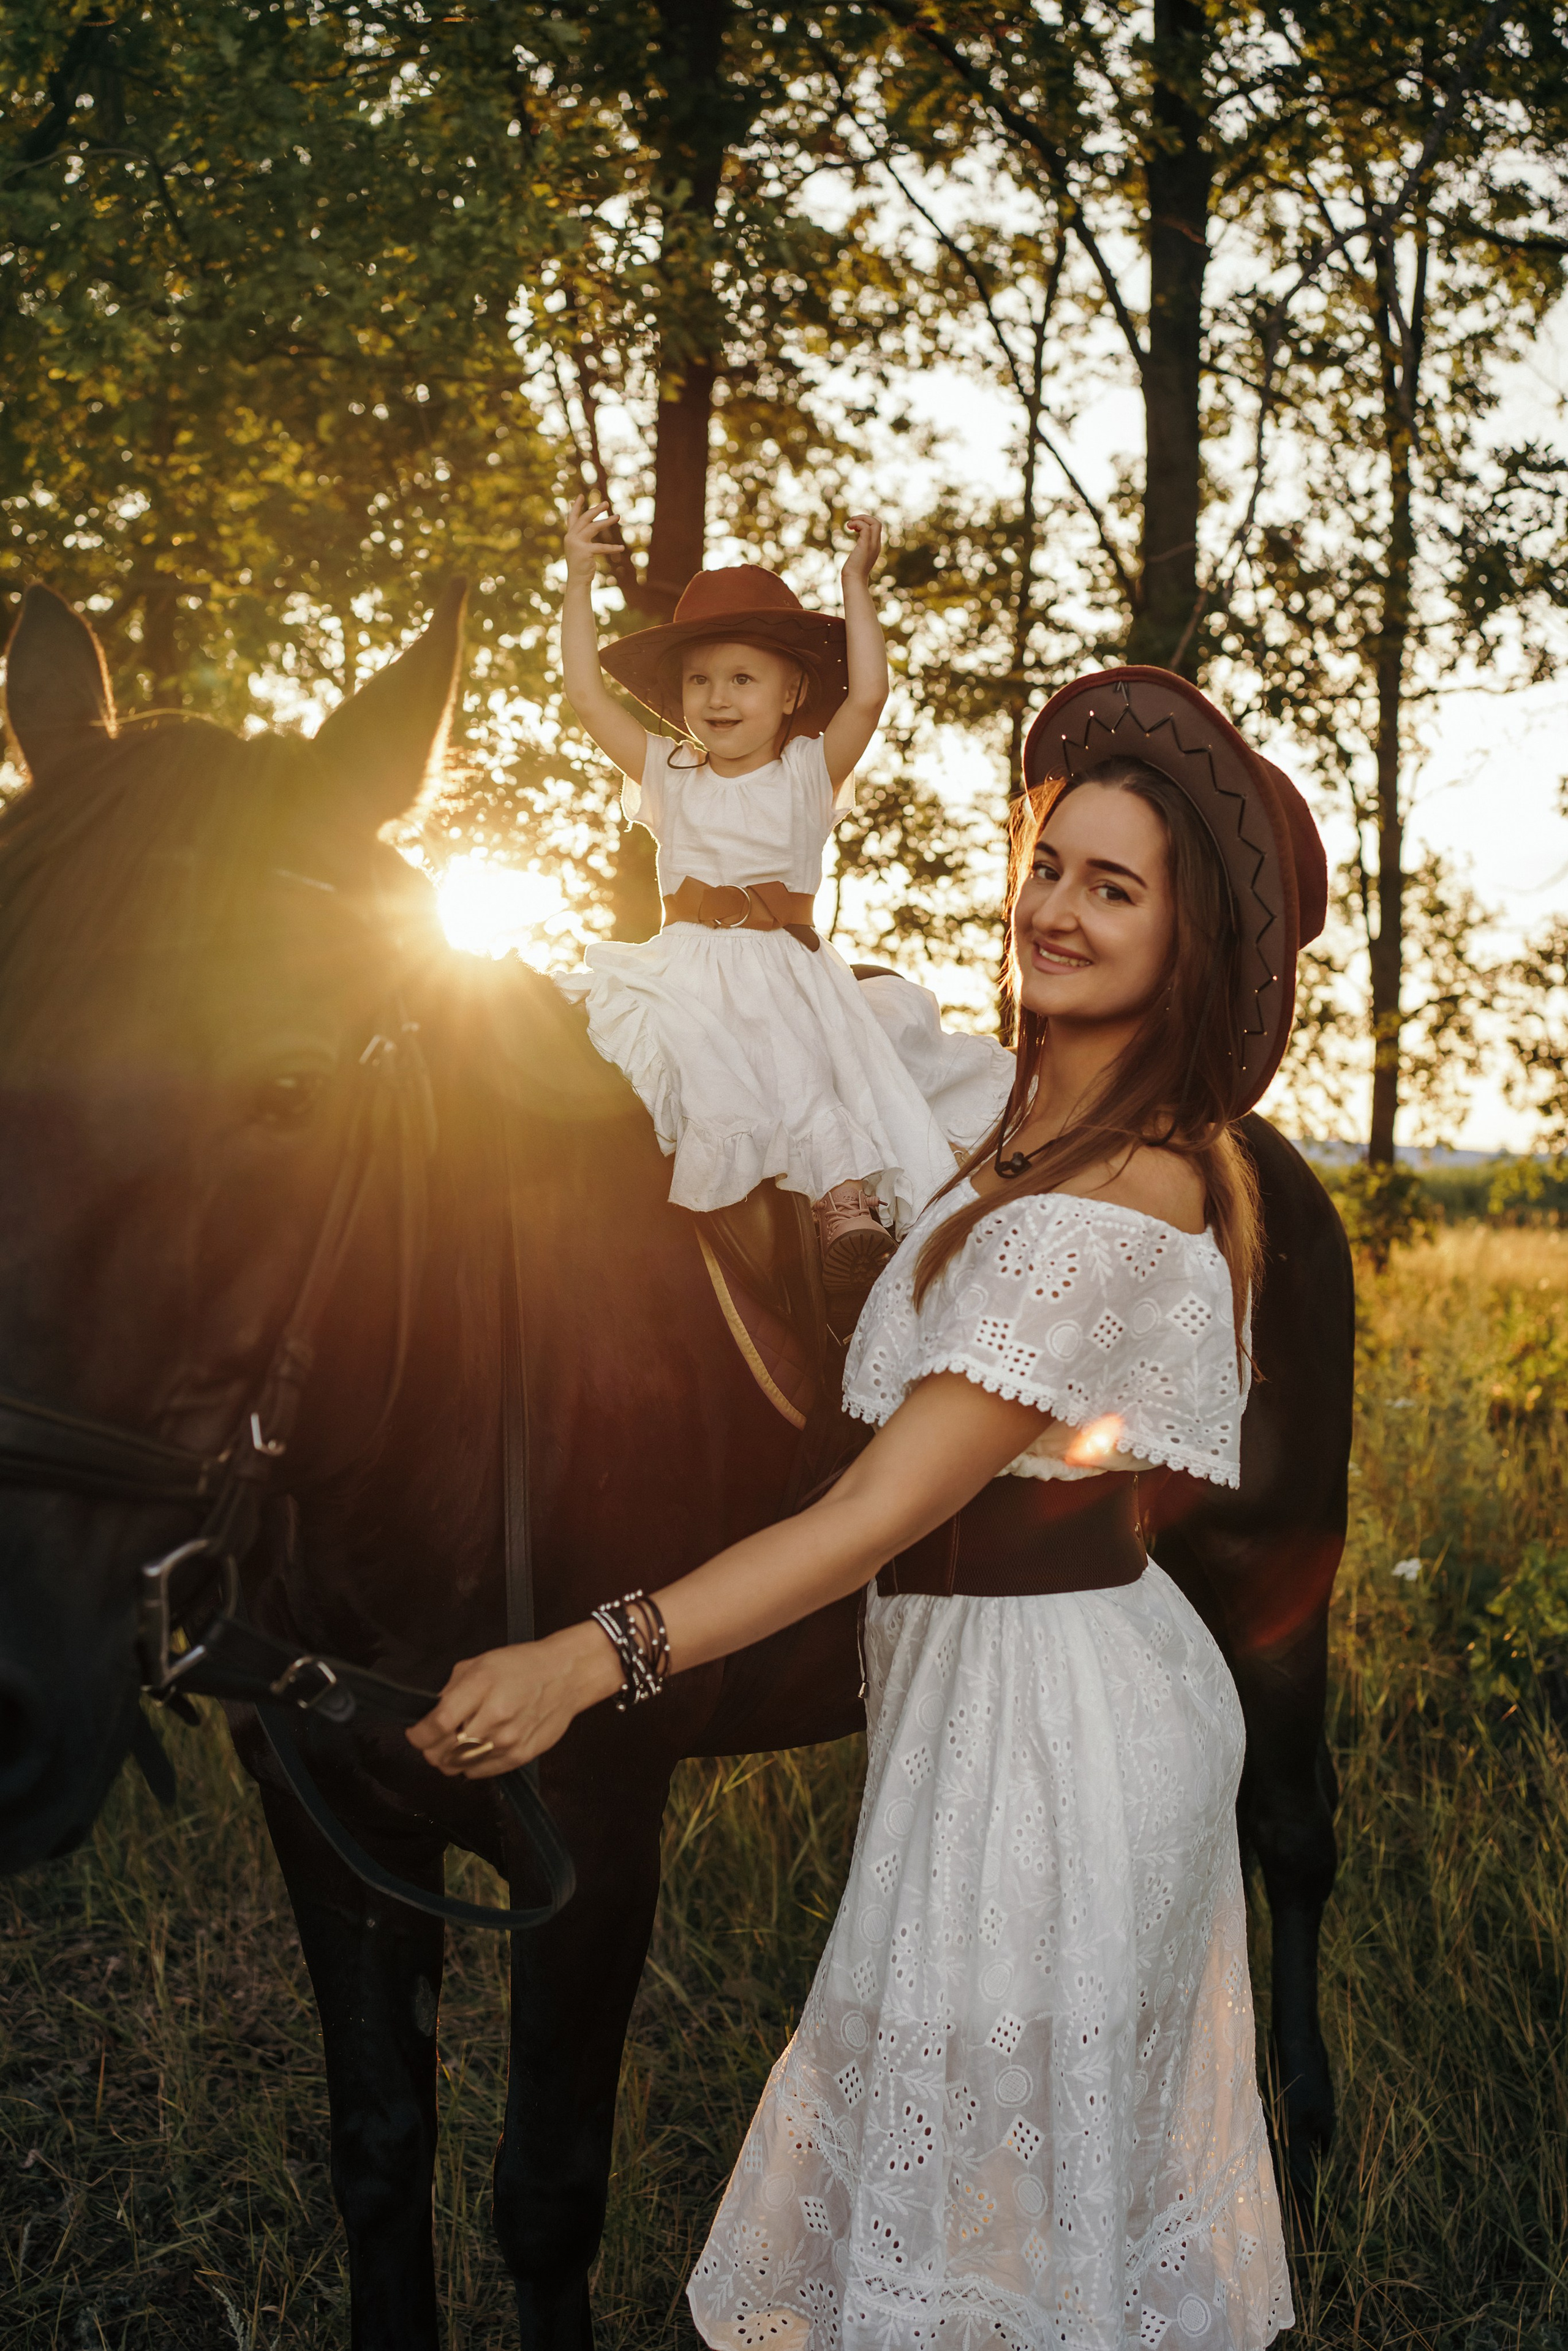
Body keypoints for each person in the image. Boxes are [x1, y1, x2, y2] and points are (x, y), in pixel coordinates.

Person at [410, 668, 1323, 2349]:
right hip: (980, 1704)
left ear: (1186, 944)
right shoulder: (1022, 1119)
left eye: (1114, 888)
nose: (1056, 907)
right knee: (972, 2182)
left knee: (988, 2204)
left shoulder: (1120, 1190)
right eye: (1051, 862)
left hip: (1063, 1727)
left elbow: (874, 1508)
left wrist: (587, 1656)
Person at [552, 498, 1000, 1288]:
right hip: (684, 964)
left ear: (791, 694)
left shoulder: (806, 773)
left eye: (742, 679)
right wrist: (578, 579)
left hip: (780, 966)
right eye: (700, 681)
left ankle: (842, 1203)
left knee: (800, 1062)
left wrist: (855, 583)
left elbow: (868, 696)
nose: (718, 698)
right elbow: (588, 698)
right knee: (626, 1047)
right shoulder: (668, 771)